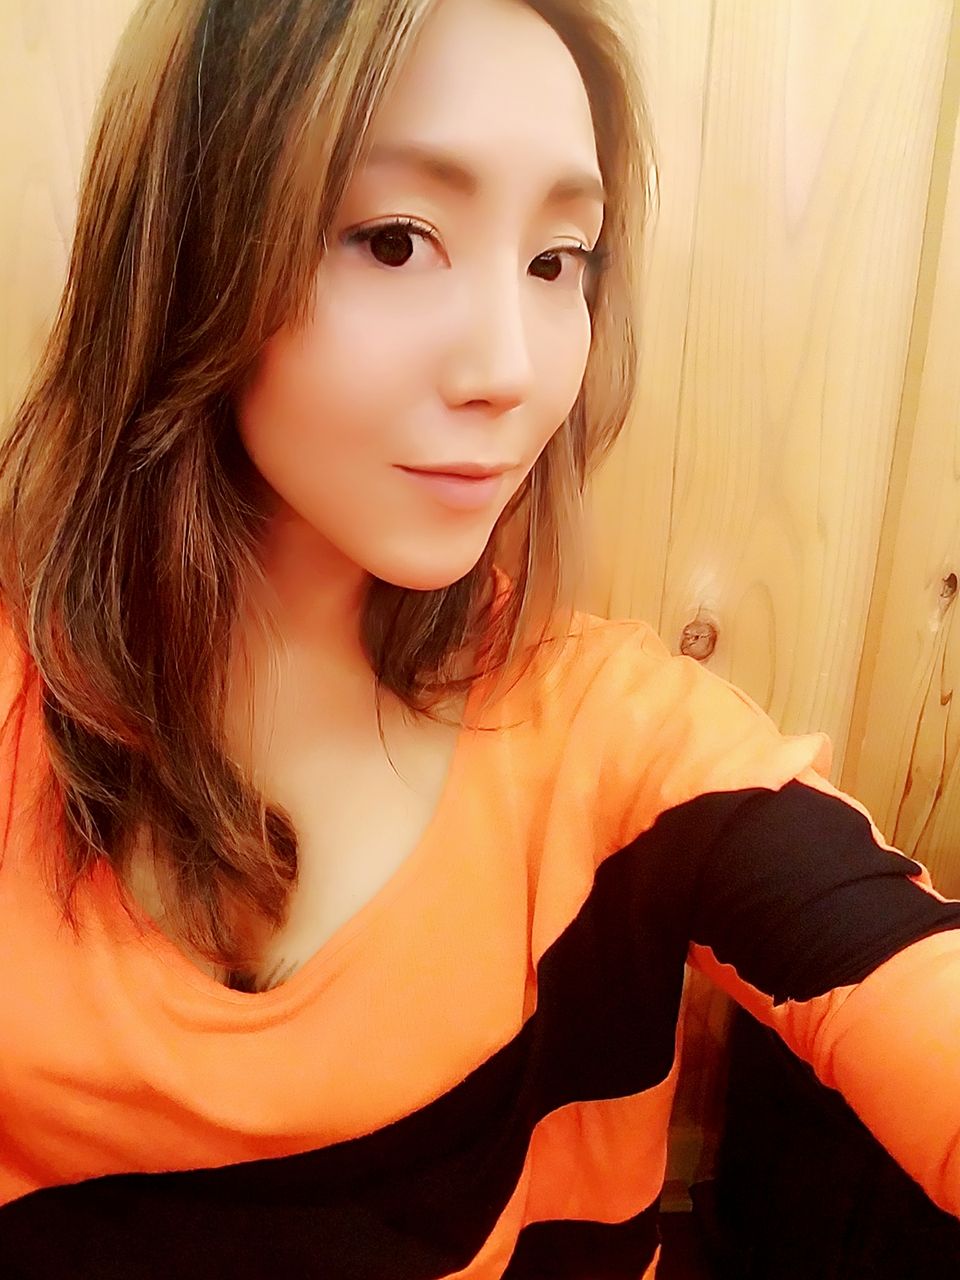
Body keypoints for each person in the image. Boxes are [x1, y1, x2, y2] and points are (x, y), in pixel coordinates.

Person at [0, 0, 956, 1276]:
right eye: (396, 240)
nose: (511, 366)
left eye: (559, 260)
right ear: (184, 255)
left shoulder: (622, 745)